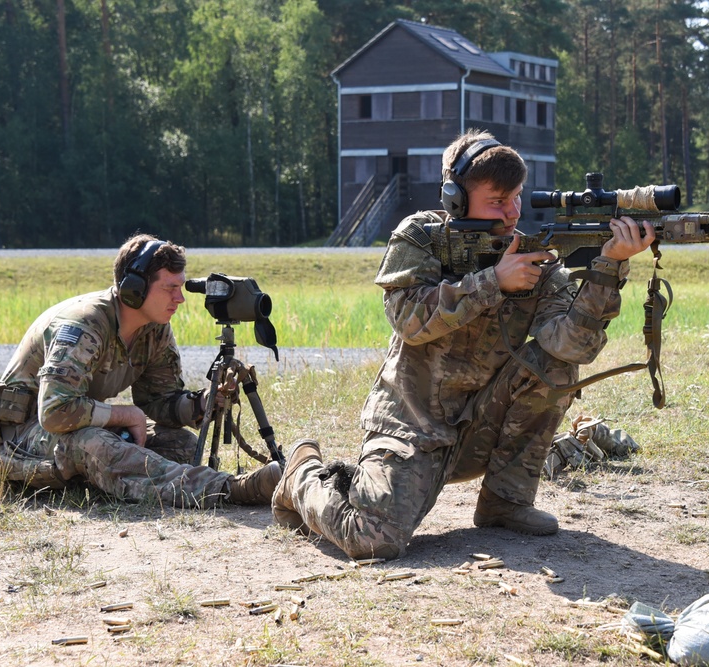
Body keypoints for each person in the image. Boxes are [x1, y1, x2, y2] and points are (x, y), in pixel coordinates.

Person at [271, 130, 655, 559]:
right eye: (497, 201)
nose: (512, 213)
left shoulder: (534, 259)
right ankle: (302, 473)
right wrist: (492, 282)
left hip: (481, 429)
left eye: (517, 198)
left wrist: (609, 267)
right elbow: (408, 322)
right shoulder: (420, 236)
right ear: (455, 199)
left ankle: (505, 500)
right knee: (372, 540)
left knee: (553, 365)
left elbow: (572, 347)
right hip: (411, 430)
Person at [0, 234, 281, 507]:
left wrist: (204, 403)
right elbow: (54, 412)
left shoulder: (154, 329)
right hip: (27, 434)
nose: (180, 298)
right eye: (170, 288)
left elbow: (161, 401)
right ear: (134, 289)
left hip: (79, 428)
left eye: (180, 287)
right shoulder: (83, 324)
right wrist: (126, 415)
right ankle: (228, 490)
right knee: (98, 445)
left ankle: (107, 480)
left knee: (181, 444)